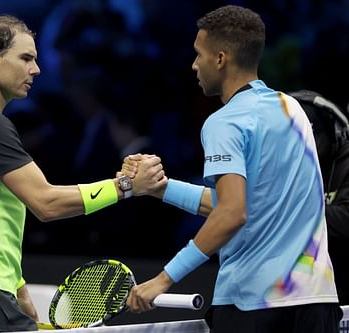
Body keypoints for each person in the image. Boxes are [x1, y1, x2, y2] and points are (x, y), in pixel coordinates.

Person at [0, 14, 166, 333]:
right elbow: (46, 203)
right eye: (26, 58)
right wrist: (126, 186)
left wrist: (19, 289)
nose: (36, 69)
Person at [121, 5, 342, 333]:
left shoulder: (224, 122)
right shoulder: (291, 108)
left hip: (253, 307)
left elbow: (233, 214)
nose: (194, 65)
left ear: (220, 59)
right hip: (317, 304)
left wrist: (164, 279)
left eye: (198, 54)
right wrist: (160, 188)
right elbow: (243, 204)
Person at [289, 90, 349, 305]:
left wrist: (291, 211)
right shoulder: (281, 163)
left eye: (313, 142)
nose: (307, 153)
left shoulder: (345, 161)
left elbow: (345, 221)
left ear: (334, 134)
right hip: (303, 292)